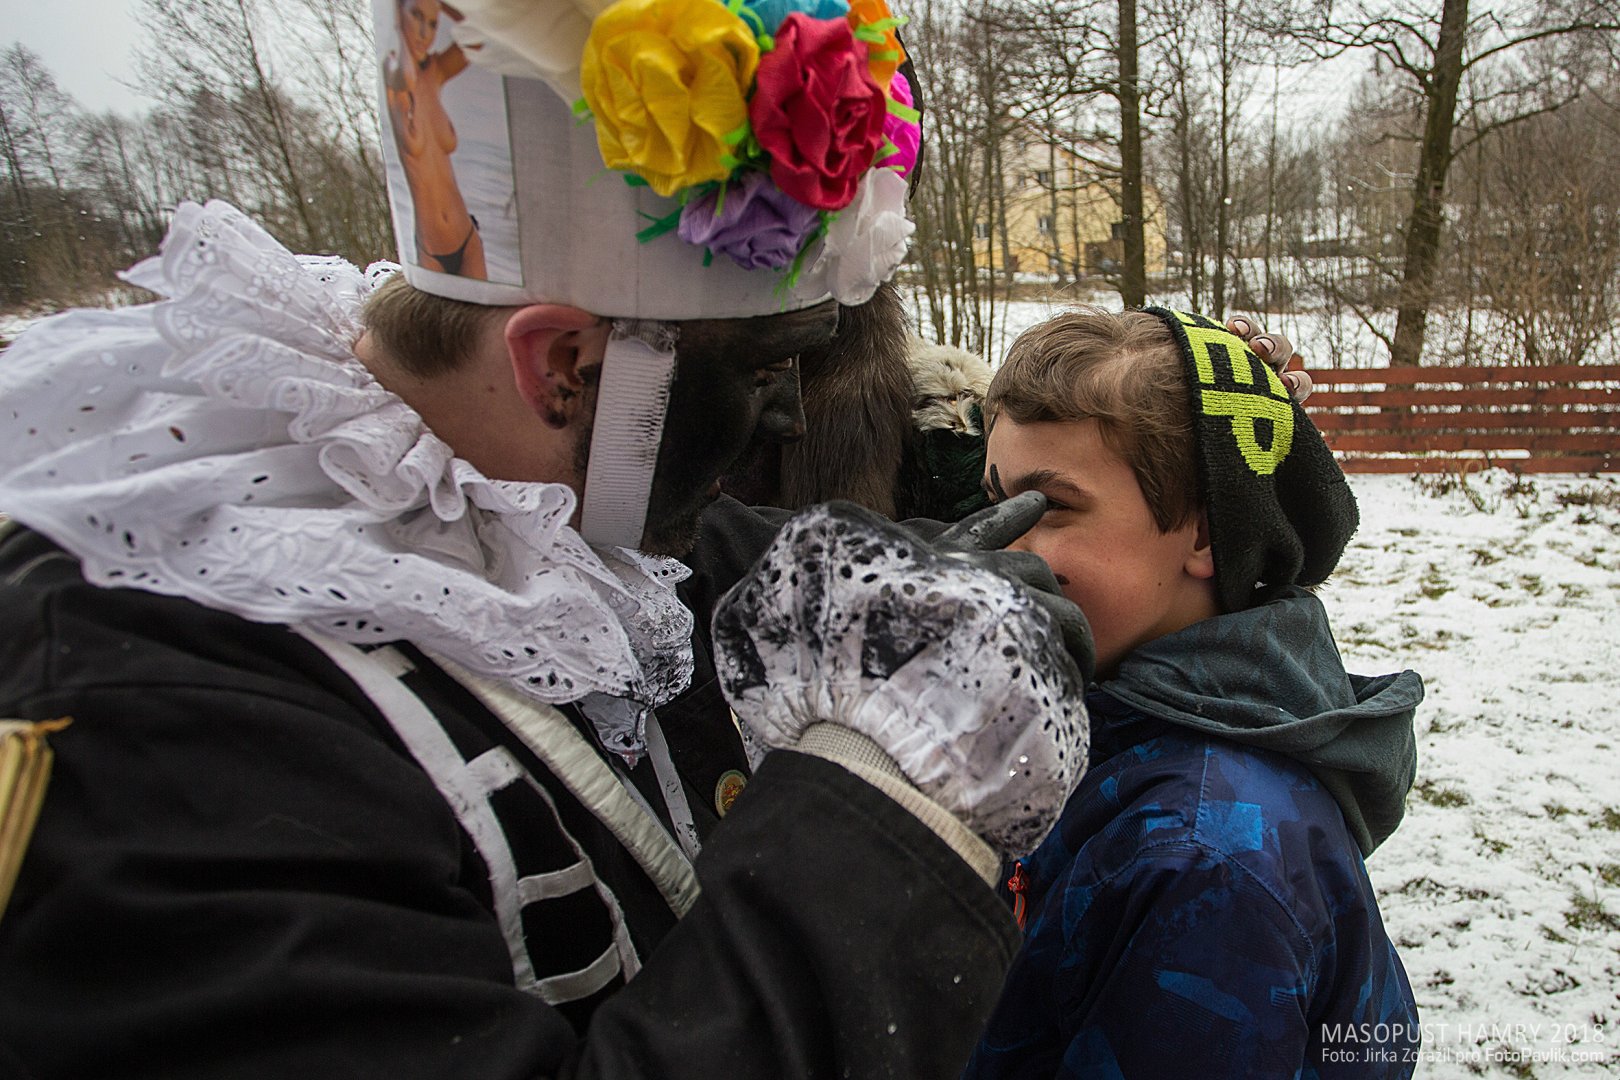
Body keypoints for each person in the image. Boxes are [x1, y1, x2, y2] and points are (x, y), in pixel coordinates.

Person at [0, 3, 1091, 1076]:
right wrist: (892, 790)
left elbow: (748, 563)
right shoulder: (157, 720)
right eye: (767, 369)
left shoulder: (554, 512)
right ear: (564, 368)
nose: (794, 421)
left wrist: (925, 587)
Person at [960, 307, 1426, 1079]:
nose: (999, 545)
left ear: (1205, 531)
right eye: (994, 498)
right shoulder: (1092, 705)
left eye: (1052, 506)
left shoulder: (1203, 864)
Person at [384, 0, 486, 279]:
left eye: (432, 24)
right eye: (416, 16)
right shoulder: (392, 74)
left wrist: (443, 4)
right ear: (398, 13)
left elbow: (477, 35)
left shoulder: (435, 73)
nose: (424, 33)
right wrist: (396, 23)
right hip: (430, 251)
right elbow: (405, 74)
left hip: (467, 239)